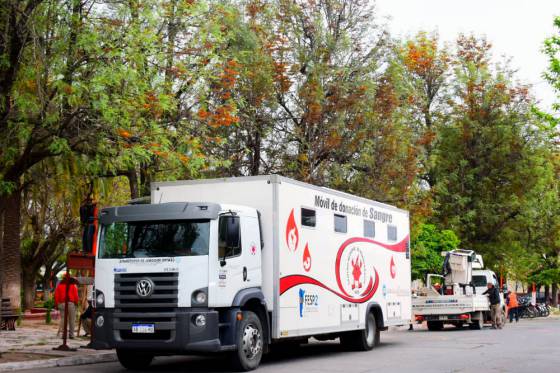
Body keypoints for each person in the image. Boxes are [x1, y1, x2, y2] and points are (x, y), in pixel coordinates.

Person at [54, 274, 79, 339]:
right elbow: (76, 296)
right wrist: (76, 303)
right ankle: (71, 335)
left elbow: (56, 296)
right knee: (72, 320)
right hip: (70, 304)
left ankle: (63, 335)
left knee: (63, 319)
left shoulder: (59, 286)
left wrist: (56, 305)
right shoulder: (73, 285)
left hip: (61, 304)